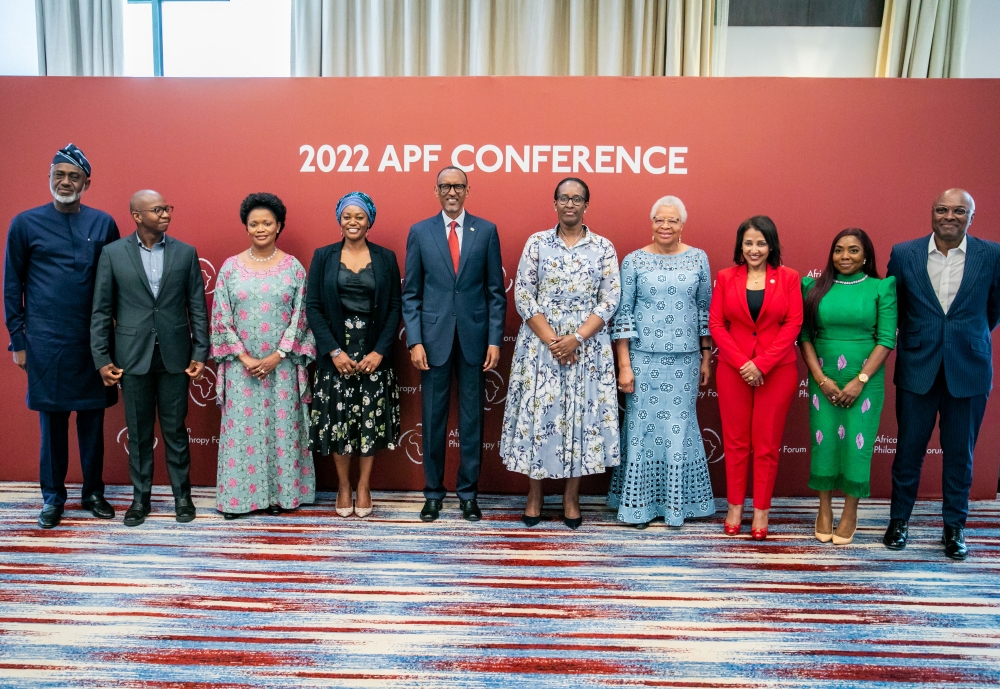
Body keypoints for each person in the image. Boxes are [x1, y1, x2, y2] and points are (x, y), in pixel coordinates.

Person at [3, 144, 119, 529]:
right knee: (51, 426)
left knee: (92, 423)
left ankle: (93, 493)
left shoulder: (104, 224)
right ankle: (52, 498)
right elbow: (11, 286)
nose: (65, 182)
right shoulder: (24, 224)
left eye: (73, 176)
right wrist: (18, 341)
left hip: (93, 344)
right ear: (49, 178)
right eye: (59, 175)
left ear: (87, 181)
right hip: (45, 343)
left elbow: (115, 284)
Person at [883, 189, 1000, 560]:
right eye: (942, 209)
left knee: (959, 456)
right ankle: (899, 522)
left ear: (971, 216)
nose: (950, 216)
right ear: (931, 213)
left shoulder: (992, 254)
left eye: (959, 211)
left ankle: (954, 528)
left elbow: (994, 309)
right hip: (918, 365)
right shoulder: (904, 254)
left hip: (969, 367)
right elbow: (894, 308)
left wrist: (965, 338)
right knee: (908, 452)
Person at [501, 177, 621, 530]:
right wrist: (555, 340)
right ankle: (535, 495)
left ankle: (571, 497)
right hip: (541, 346)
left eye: (577, 198)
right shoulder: (537, 243)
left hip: (588, 347)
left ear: (587, 205)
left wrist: (577, 338)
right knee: (540, 416)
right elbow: (523, 294)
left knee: (580, 420)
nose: (570, 204)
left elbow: (610, 298)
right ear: (554, 203)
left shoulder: (603, 247)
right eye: (564, 198)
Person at [91, 190, 209, 527]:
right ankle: (140, 500)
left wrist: (201, 350)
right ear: (137, 215)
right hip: (130, 358)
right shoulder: (112, 254)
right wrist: (101, 358)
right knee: (139, 433)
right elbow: (101, 310)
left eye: (167, 208)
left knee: (175, 431)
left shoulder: (185, 253)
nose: (165, 214)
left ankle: (182, 498)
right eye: (157, 209)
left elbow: (198, 306)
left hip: (176, 357)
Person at [401, 167, 506, 523]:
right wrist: (415, 340)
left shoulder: (487, 231)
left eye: (458, 186)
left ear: (467, 191)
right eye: (445, 186)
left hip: (475, 341)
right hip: (433, 342)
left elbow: (495, 293)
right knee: (433, 420)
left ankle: (468, 494)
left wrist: (495, 339)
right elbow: (411, 294)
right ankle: (432, 494)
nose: (452, 192)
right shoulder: (420, 232)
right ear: (436, 191)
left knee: (472, 420)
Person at [608, 195, 715, 528]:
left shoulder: (698, 258)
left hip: (684, 360)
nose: (665, 225)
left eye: (673, 220)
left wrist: (706, 356)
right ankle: (636, 505)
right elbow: (622, 315)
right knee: (640, 429)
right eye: (659, 219)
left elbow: (704, 312)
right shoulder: (634, 261)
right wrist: (624, 364)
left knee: (678, 430)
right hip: (642, 359)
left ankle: (676, 506)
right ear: (651, 222)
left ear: (683, 224)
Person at [210, 193, 316, 520]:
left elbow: (302, 316)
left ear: (279, 225)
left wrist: (278, 354)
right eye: (254, 223)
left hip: (282, 367)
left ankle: (280, 496)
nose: (260, 228)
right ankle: (239, 501)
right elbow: (221, 316)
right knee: (243, 434)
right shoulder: (230, 268)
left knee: (281, 429)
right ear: (246, 226)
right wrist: (243, 357)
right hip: (242, 369)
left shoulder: (294, 268)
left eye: (267, 223)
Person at [800, 229, 896, 545]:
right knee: (824, 442)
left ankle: (850, 511)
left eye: (853, 250)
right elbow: (805, 338)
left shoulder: (882, 288)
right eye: (838, 249)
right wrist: (821, 379)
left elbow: (885, 340)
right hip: (823, 380)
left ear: (866, 255)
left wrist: (860, 381)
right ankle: (824, 508)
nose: (844, 256)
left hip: (864, 382)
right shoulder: (813, 288)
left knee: (857, 445)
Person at [307, 192, 401, 518]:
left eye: (359, 216)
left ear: (370, 220)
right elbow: (314, 308)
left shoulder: (386, 258)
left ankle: (364, 485)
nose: (353, 222)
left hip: (373, 354)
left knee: (368, 422)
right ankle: (343, 485)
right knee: (339, 422)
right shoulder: (323, 256)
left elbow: (393, 308)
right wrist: (333, 351)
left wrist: (379, 352)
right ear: (339, 219)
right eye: (347, 216)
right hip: (336, 354)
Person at [709, 215, 802, 540]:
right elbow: (717, 325)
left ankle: (761, 512)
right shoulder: (725, 276)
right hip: (733, 371)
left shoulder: (788, 277)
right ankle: (735, 508)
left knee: (766, 446)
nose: (754, 249)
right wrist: (741, 363)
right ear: (740, 245)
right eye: (748, 242)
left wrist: (761, 364)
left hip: (776, 371)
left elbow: (793, 324)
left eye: (761, 242)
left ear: (771, 244)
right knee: (735, 444)